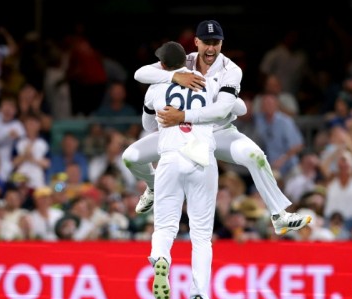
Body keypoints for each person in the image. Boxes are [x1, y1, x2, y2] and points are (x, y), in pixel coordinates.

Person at [123, 20, 311, 236]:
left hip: (217, 133)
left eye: (215, 42)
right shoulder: (186, 61)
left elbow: (222, 111)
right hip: (180, 133)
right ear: (196, 42)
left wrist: (182, 115)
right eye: (206, 42)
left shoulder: (231, 70)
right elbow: (140, 74)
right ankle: (154, 185)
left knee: (255, 156)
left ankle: (279, 215)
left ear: (222, 43)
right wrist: (174, 76)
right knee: (130, 156)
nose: (210, 48)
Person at [143, 41, 220, 299]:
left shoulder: (156, 87)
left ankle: (161, 257)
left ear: (163, 65)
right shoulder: (209, 83)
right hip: (202, 159)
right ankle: (199, 296)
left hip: (171, 156)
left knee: (165, 226)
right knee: (201, 235)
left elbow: (148, 125)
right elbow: (232, 110)